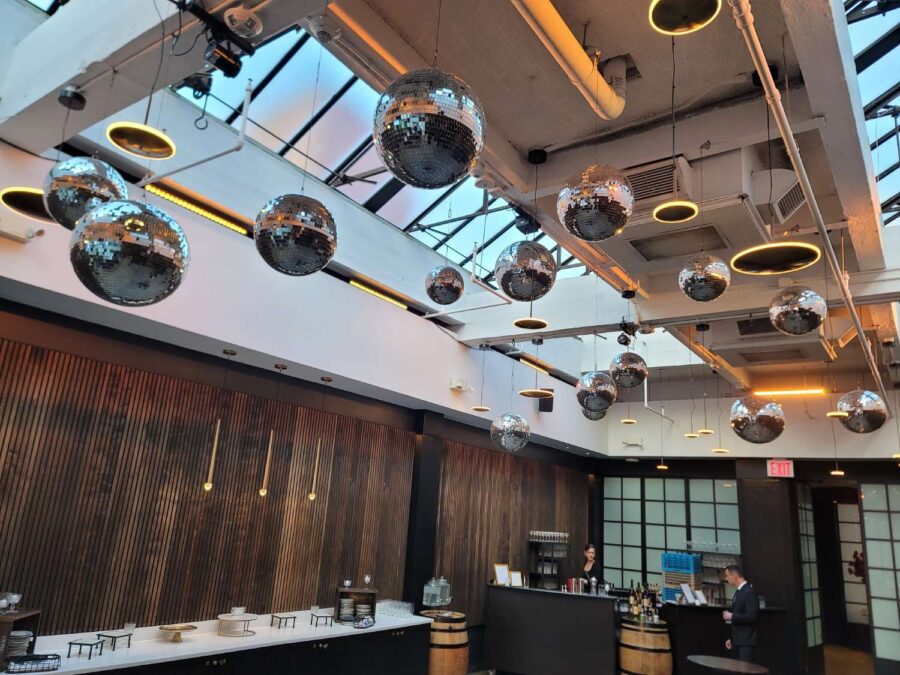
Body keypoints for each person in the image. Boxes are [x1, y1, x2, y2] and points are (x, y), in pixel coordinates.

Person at [722, 564, 760, 663]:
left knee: (745, 670)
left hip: (746, 641)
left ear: (735, 575)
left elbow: (752, 616)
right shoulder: (738, 592)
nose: (726, 578)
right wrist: (731, 638)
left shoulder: (749, 592)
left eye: (727, 575)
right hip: (737, 640)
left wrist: (732, 616)